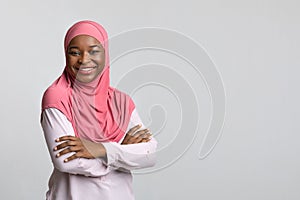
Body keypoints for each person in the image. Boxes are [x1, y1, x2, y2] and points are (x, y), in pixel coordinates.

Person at [40, 20, 157, 200]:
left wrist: (101, 150)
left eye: (94, 51)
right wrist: (123, 152)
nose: (84, 59)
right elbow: (67, 161)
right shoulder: (57, 97)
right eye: (75, 52)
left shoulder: (121, 102)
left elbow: (149, 155)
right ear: (66, 54)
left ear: (106, 54)